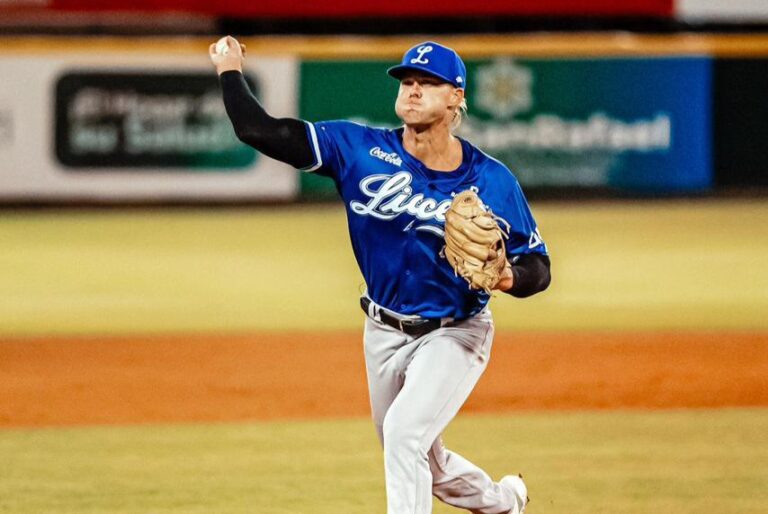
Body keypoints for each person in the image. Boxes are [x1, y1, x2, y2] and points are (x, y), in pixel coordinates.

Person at [210, 37, 551, 514]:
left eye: (427, 83)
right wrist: (230, 68)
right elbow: (257, 131)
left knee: (404, 436)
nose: (412, 90)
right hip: (381, 330)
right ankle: (503, 502)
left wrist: (508, 277)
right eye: (407, 81)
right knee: (421, 459)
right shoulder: (358, 149)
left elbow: (539, 266)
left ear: (456, 96)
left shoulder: (492, 180)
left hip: (455, 333)